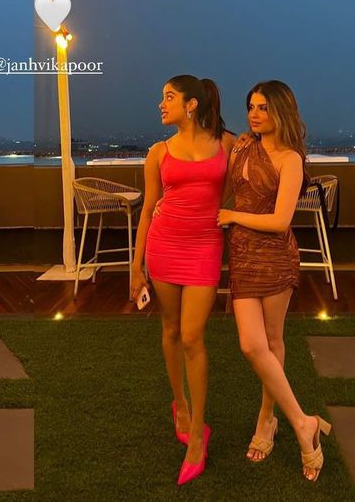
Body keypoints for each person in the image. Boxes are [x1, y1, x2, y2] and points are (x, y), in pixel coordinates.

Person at [218, 80, 332, 482]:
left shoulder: (290, 159)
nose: (254, 113)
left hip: (274, 256)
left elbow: (281, 221)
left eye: (263, 107)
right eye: (250, 106)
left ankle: (268, 420)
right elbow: (205, 138)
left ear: (281, 111)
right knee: (252, 345)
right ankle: (303, 421)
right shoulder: (242, 144)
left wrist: (232, 217)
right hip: (243, 257)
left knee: (270, 340)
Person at [130, 75, 235, 485]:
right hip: (164, 246)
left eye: (168, 97)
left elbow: (256, 162)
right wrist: (135, 265)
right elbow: (147, 209)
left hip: (206, 246)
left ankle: (198, 435)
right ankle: (181, 405)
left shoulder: (225, 144)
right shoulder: (158, 152)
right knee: (171, 329)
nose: (161, 104)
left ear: (191, 104)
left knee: (193, 336)